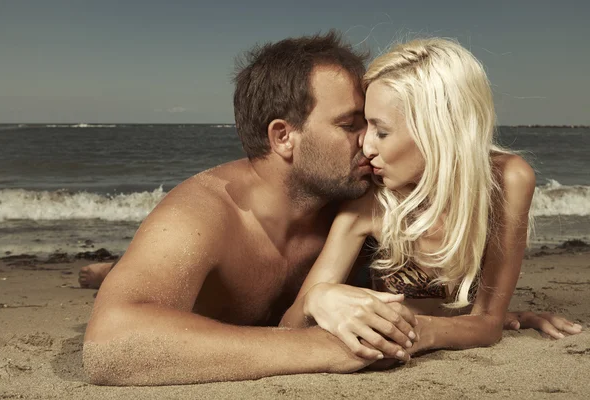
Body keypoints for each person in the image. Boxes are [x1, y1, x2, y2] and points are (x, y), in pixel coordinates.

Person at [83, 31, 418, 386]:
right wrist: (320, 348)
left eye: (370, 124)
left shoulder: (358, 197)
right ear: (283, 136)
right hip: (180, 261)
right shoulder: (200, 216)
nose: (367, 142)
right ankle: (112, 270)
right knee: (145, 272)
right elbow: (109, 345)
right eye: (349, 125)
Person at [280, 38, 583, 362]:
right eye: (364, 126)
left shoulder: (507, 181)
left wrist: (421, 331)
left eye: (381, 131)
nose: (366, 147)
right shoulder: (371, 200)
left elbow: (488, 323)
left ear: (438, 129)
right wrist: (319, 298)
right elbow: (289, 327)